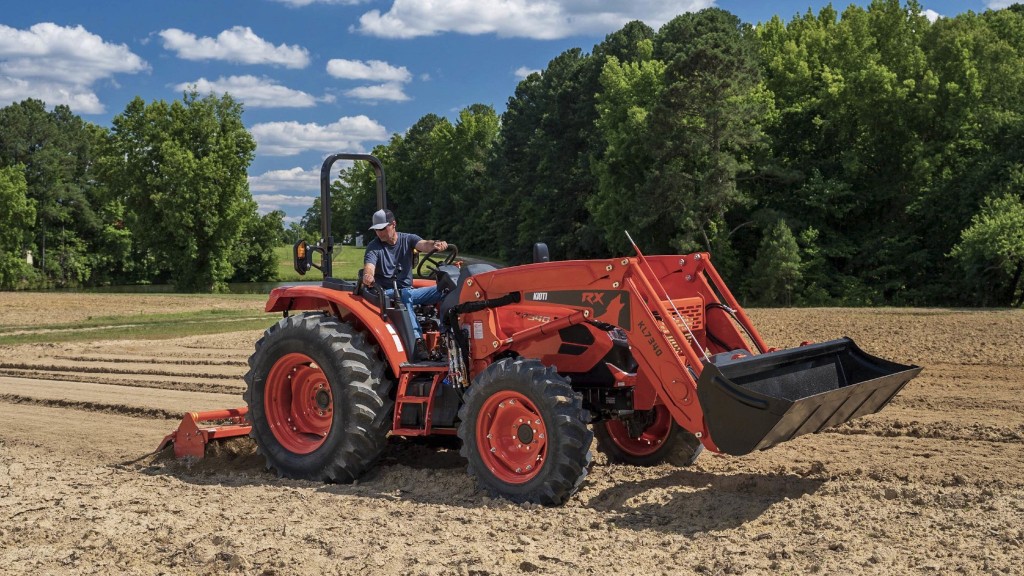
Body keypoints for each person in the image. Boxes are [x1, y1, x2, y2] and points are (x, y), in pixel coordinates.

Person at [362, 209, 448, 358]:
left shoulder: (408, 239)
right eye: (376, 230)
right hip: (386, 294)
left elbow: (423, 244)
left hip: (408, 290)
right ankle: (417, 342)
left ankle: (446, 337)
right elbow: (369, 265)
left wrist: (435, 244)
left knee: (446, 289)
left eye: (382, 228)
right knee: (405, 294)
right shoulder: (374, 246)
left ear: (393, 224)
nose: (379, 233)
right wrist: (368, 275)